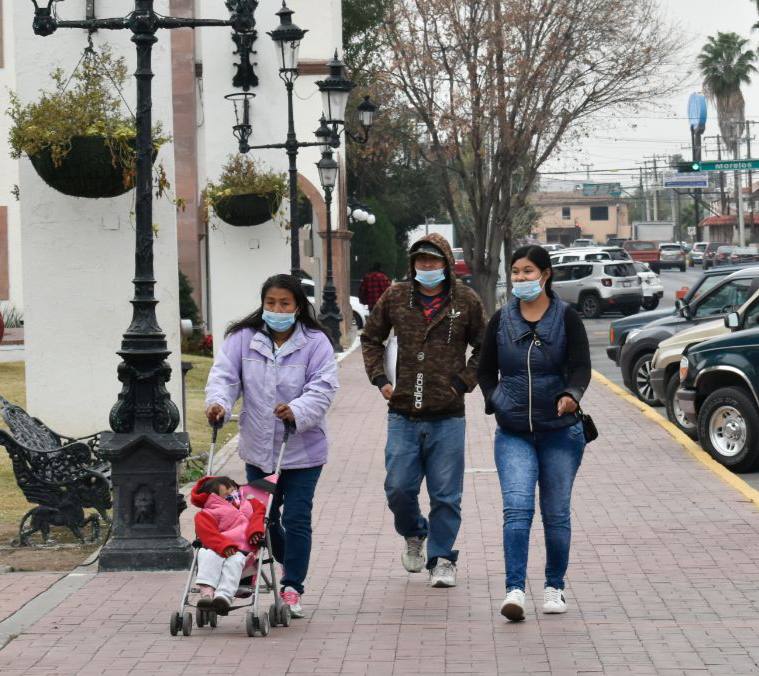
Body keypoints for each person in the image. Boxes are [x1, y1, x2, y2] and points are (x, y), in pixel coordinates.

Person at [205, 274, 339, 618]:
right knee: (261, 519)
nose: (277, 309)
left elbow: (323, 387)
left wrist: (296, 410)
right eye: (271, 303)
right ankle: (274, 563)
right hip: (260, 448)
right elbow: (224, 377)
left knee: (296, 517)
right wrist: (219, 403)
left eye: (284, 304)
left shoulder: (316, 342)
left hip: (303, 450)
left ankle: (293, 584)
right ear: (262, 304)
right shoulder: (243, 339)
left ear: (297, 307)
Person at [361, 234, 486, 588]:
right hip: (403, 413)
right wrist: (380, 378)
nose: (427, 267)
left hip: (448, 414)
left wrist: (462, 383)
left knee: (446, 494)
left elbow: (484, 346)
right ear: (412, 264)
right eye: (421, 261)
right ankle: (414, 532)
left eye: (433, 261)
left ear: (446, 263)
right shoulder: (397, 296)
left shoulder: (466, 300)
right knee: (399, 488)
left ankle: (443, 557)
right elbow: (371, 338)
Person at [477, 245, 591, 622]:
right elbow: (483, 368)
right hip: (514, 433)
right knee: (517, 510)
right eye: (515, 273)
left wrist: (571, 396)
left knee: (556, 513)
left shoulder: (566, 317)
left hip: (560, 432)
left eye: (528, 272)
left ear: (545, 275)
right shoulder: (501, 320)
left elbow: (581, 369)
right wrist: (496, 400)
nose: (521, 279)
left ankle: (554, 586)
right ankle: (514, 590)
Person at [191, 476, 266, 613]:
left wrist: (255, 531)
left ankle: (223, 597)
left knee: (235, 560)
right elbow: (208, 534)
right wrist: (223, 546)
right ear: (215, 498)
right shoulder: (207, 514)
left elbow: (259, 515)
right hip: (216, 548)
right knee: (205, 554)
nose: (232, 495)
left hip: (243, 552)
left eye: (234, 491)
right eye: (227, 494)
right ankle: (207, 594)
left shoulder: (249, 504)